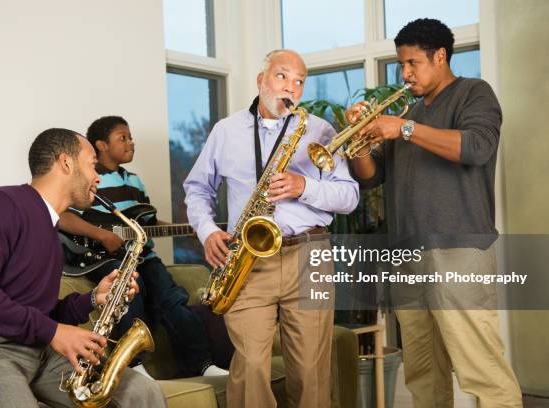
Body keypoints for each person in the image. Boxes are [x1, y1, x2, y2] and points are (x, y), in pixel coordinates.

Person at [347, 18, 522, 408]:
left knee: (483, 370)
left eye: (412, 63)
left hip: (458, 250)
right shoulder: (408, 111)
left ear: (440, 56)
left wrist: (404, 129)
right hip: (407, 256)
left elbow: (476, 147)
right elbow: (371, 177)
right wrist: (358, 141)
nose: (405, 73)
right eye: (401, 65)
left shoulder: (474, 93)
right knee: (423, 376)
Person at [0, 128, 166, 407]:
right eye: (92, 164)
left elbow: (37, 312)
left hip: (36, 350)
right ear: (66, 163)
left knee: (143, 393)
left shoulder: (52, 227)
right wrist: (54, 332)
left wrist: (93, 299)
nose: (98, 177)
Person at [184, 49, 359, 408]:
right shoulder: (226, 131)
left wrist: (303, 186)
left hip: (310, 254)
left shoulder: (320, 130)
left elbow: (350, 196)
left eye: (299, 82)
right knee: (249, 368)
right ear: (261, 80)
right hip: (248, 259)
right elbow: (197, 188)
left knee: (311, 371)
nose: (290, 88)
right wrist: (207, 231)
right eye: (282, 77)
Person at [58, 116, 228, 378]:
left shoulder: (134, 181)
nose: (130, 142)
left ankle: (202, 364)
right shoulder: (89, 181)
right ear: (101, 145)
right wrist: (100, 235)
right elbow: (64, 217)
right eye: (122, 138)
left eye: (130, 137)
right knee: (132, 294)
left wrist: (191, 229)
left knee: (174, 299)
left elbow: (147, 222)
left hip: (143, 256)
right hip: (105, 259)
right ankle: (135, 366)